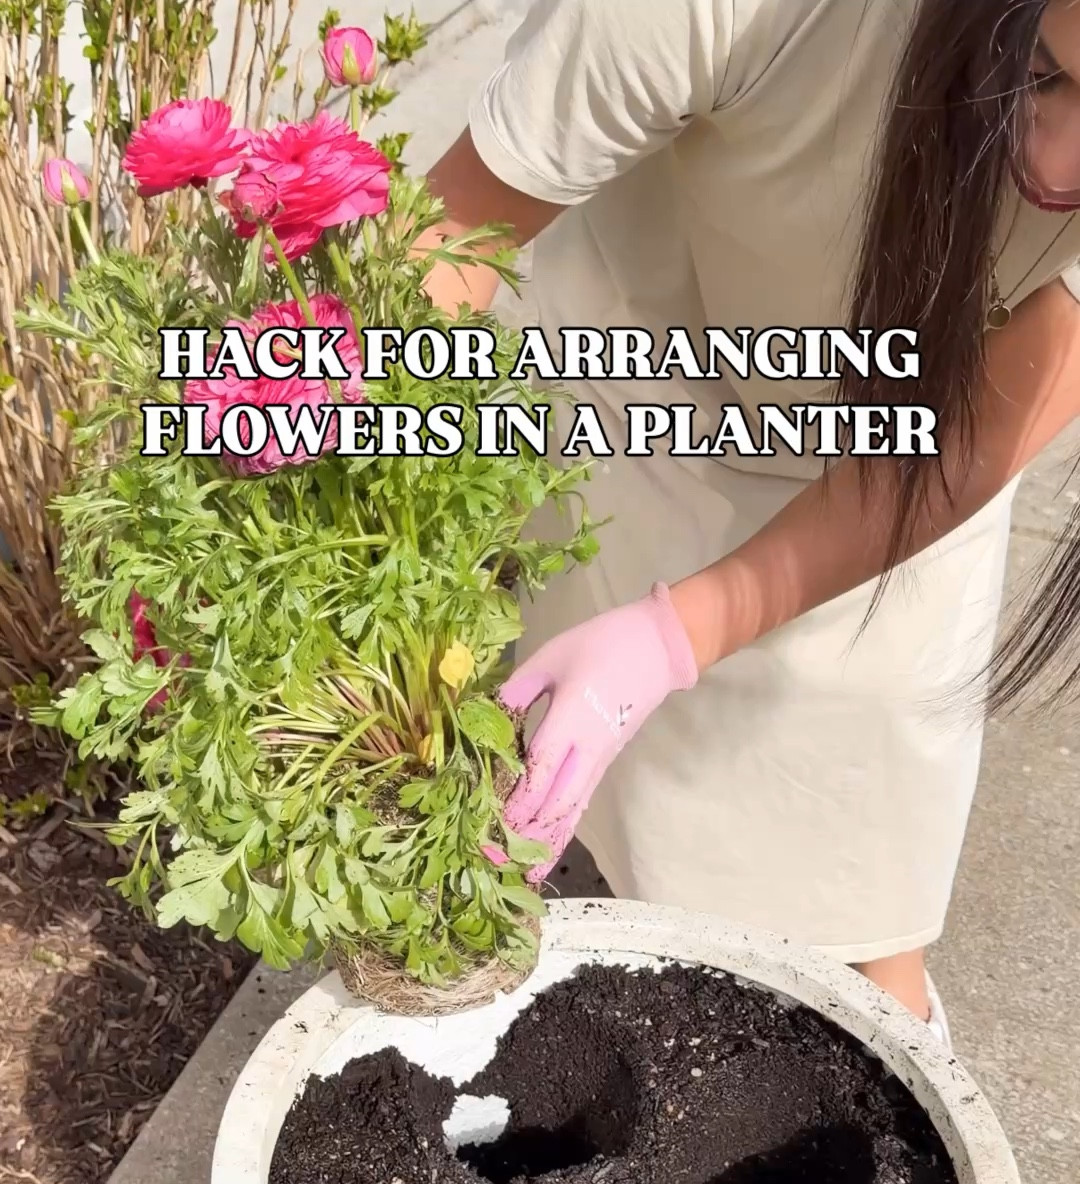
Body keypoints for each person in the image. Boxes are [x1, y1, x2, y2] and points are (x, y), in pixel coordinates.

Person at [420, 0, 1080, 1039]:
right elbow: (452, 239)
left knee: (859, 900)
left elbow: (966, 435)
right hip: (651, 369)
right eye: (1043, 73)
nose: (1058, 160)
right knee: (578, 793)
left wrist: (677, 632)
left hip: (904, 454)